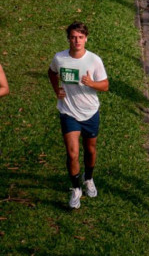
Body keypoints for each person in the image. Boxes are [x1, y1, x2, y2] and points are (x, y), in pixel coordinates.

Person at [48, 22, 109, 210]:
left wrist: (91, 83)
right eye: (73, 37)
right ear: (69, 39)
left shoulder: (94, 60)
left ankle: (88, 178)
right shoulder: (60, 58)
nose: (77, 41)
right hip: (68, 112)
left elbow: (105, 85)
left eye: (80, 37)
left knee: (90, 151)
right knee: (72, 153)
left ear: (86, 39)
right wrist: (56, 90)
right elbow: (51, 72)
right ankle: (76, 189)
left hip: (90, 112)